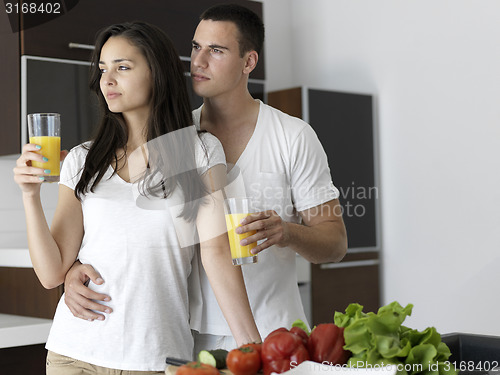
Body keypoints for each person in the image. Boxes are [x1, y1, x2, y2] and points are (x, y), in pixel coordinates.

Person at [63, 3, 348, 353]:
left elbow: (334, 244)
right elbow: (124, 227)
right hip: (190, 334)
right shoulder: (174, 138)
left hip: (272, 330)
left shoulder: (293, 136)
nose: (198, 61)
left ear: (249, 62)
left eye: (216, 50)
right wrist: (72, 268)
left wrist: (286, 232)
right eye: (196, 47)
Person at [13, 21, 260, 374]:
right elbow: (52, 273)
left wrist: (254, 347)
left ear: (157, 73)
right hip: (73, 354)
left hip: (156, 359)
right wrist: (29, 195)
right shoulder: (82, 159)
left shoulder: (200, 151)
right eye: (103, 69)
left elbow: (217, 252)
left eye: (123, 67)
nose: (107, 79)